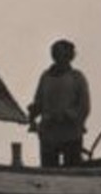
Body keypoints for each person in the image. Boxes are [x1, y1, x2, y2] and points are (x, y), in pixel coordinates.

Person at [28, 39, 90, 168]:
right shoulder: (45, 77)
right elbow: (39, 101)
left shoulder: (77, 77)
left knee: (73, 172)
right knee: (48, 172)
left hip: (71, 134)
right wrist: (33, 112)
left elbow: (84, 106)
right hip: (48, 134)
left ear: (70, 56)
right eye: (55, 53)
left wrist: (67, 116)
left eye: (62, 53)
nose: (58, 56)